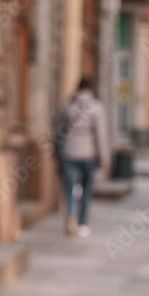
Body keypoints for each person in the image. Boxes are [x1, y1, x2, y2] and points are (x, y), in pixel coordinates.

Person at [54, 75, 110, 237]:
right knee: (86, 189)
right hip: (88, 154)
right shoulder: (96, 107)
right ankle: (83, 224)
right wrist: (104, 158)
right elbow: (100, 134)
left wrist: (56, 150)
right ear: (91, 88)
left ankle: (70, 212)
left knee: (69, 188)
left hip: (68, 153)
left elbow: (57, 130)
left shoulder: (67, 106)